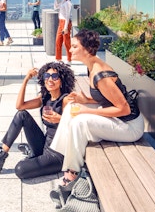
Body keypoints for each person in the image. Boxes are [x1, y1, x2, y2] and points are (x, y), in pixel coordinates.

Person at [49, 29, 144, 187]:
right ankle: (60, 154)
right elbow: (107, 97)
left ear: (86, 49)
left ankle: (72, 172)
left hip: (130, 127)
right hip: (117, 119)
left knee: (80, 121)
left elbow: (124, 109)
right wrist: (86, 100)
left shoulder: (101, 75)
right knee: (73, 106)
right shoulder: (91, 66)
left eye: (74, 47)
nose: (69, 49)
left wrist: (88, 110)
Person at [0, 62, 75, 178]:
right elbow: (20, 106)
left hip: (58, 154)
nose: (50, 80)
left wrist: (60, 119)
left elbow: (78, 124)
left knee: (20, 169)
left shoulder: (66, 100)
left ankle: (33, 154)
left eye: (55, 76)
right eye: (46, 76)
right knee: (21, 114)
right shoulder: (45, 98)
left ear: (62, 80)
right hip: (45, 145)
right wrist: (26, 79)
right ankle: (1, 154)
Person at [53, 0, 73, 64]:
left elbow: (67, 16)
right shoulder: (63, 1)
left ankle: (69, 59)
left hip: (65, 23)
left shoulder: (68, 3)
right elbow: (55, 7)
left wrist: (65, 28)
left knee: (66, 42)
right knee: (58, 41)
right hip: (60, 22)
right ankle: (58, 58)